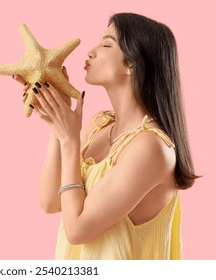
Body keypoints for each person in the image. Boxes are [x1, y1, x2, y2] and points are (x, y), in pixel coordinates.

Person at [13, 12, 199, 259]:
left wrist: (70, 140)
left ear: (132, 64)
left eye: (106, 44)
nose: (90, 51)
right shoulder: (99, 125)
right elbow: (50, 201)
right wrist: (58, 123)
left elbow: (77, 230)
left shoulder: (152, 148)